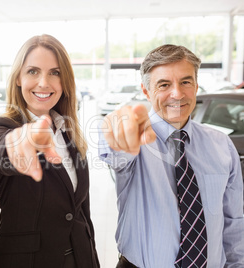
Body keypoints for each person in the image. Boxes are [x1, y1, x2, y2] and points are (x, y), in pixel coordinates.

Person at [99, 44, 244, 267]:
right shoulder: (137, 140)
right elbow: (114, 149)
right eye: (164, 84)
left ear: (196, 86)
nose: (177, 93)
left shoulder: (221, 145)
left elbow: (234, 221)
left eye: (185, 82)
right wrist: (115, 130)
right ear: (146, 91)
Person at [0, 34, 100, 268]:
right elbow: (3, 147)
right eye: (33, 71)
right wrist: (21, 140)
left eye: (55, 72)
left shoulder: (69, 132)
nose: (44, 82)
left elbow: (81, 212)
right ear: (18, 79)